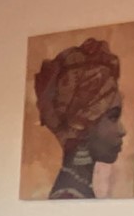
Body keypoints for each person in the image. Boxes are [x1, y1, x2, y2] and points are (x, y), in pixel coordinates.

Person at [31, 38, 126, 199]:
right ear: (83, 123)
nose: (123, 131)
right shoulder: (69, 195)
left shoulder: (78, 189)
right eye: (113, 117)